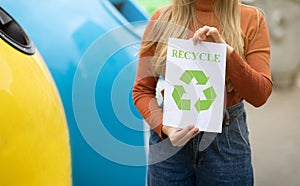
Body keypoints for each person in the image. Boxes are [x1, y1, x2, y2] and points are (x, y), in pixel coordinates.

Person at [132, 0, 272, 185]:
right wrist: (166, 128)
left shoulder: (251, 19)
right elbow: (142, 91)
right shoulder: (162, 18)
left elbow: (259, 95)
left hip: (227, 141)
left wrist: (228, 54)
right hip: (170, 140)